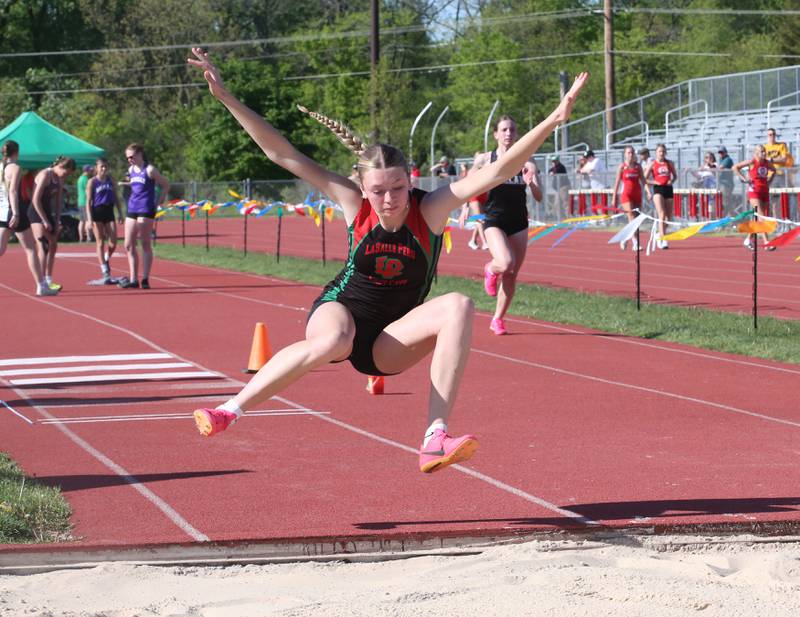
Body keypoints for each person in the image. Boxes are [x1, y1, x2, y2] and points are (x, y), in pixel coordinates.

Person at [186, 47, 587, 472]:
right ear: (362, 185)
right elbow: (283, 155)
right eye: (378, 190)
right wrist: (226, 97)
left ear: (410, 179)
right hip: (341, 313)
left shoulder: (429, 209)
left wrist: (554, 119)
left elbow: (498, 170)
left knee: (459, 305)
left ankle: (435, 437)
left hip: (387, 341)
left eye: (397, 187)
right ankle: (230, 410)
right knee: (333, 342)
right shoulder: (351, 202)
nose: (389, 199)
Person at [470, 115, 543, 336]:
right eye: (504, 130)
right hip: (494, 219)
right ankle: (490, 269)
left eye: (512, 129)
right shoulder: (485, 159)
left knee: (511, 274)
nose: (508, 133)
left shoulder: (528, 162)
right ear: (496, 134)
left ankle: (498, 319)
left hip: (519, 222)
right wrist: (468, 209)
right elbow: (469, 186)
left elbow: (539, 197)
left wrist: (531, 184)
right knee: (505, 262)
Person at [0, 141, 58, 296]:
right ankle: (41, 286)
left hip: (2, 210)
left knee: (1, 249)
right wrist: (17, 213)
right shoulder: (16, 168)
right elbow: (13, 191)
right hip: (13, 210)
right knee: (31, 249)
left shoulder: (0, 167)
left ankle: (42, 285)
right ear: (16, 152)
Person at [119, 143, 169, 289]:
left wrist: (159, 201)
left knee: (145, 243)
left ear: (140, 154)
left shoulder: (150, 170)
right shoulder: (131, 170)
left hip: (146, 208)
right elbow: (135, 186)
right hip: (132, 207)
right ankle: (133, 279)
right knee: (128, 244)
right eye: (127, 158)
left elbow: (165, 184)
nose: (129, 160)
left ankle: (145, 278)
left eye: (132, 157)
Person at [28, 156, 76, 291]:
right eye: (66, 173)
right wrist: (44, 220)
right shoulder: (45, 175)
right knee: (43, 246)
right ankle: (41, 284)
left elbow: (58, 202)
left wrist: (56, 220)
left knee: (53, 244)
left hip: (48, 212)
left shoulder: (59, 179)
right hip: (36, 212)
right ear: (61, 166)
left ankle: (48, 279)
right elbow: (35, 200)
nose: (66, 176)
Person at [86, 157, 123, 282]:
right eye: (101, 166)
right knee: (100, 241)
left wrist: (120, 213)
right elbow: (88, 202)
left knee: (113, 242)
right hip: (97, 211)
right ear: (96, 168)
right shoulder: (92, 182)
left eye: (106, 166)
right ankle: (104, 270)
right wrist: (89, 219)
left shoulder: (111, 180)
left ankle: (106, 257)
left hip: (109, 211)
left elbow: (116, 197)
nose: (104, 168)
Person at [733, 144, 776, 250]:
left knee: (757, 217)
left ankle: (748, 239)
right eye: (762, 151)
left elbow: (774, 171)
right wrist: (744, 178)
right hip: (754, 192)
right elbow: (735, 167)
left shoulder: (767, 163)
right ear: (756, 153)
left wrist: (769, 182)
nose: (764, 153)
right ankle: (766, 242)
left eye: (764, 151)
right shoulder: (752, 162)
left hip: (764, 191)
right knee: (761, 216)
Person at [643, 144, 677, 249]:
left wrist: (672, 180)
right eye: (659, 151)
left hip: (668, 188)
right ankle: (663, 239)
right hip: (658, 189)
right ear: (656, 153)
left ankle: (659, 233)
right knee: (661, 214)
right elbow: (644, 179)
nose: (661, 153)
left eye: (663, 151)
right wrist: (653, 183)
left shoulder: (669, 163)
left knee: (669, 217)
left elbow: (675, 176)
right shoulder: (652, 164)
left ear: (665, 152)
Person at [611, 145, 644, 250]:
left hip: (637, 194)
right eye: (629, 152)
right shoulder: (622, 167)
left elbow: (643, 180)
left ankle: (625, 237)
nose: (631, 154)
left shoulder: (638, 166)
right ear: (625, 154)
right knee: (631, 217)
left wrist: (648, 191)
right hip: (626, 195)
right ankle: (635, 242)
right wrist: (614, 197)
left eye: (632, 152)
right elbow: (617, 183)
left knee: (637, 219)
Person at [548, 154, 570, 219]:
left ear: (558, 161)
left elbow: (556, 171)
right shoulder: (554, 167)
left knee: (565, 203)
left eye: (555, 161)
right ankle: (562, 219)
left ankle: (569, 218)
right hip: (558, 188)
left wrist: (552, 172)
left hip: (563, 187)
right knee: (557, 204)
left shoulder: (561, 167)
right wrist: (551, 171)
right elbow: (550, 171)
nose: (554, 162)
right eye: (553, 161)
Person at [76, 165, 94, 242]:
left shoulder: (79, 178)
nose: (91, 172)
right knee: (87, 220)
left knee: (82, 220)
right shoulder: (85, 179)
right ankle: (89, 237)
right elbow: (88, 190)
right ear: (86, 170)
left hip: (80, 201)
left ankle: (81, 237)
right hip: (85, 201)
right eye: (90, 170)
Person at [717, 146, 735, 213]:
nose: (721, 154)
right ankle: (728, 217)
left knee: (726, 202)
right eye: (720, 153)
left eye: (722, 152)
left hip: (727, 185)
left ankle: (729, 218)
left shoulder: (728, 159)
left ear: (726, 152)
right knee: (724, 201)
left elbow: (720, 168)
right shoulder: (721, 159)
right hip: (723, 184)